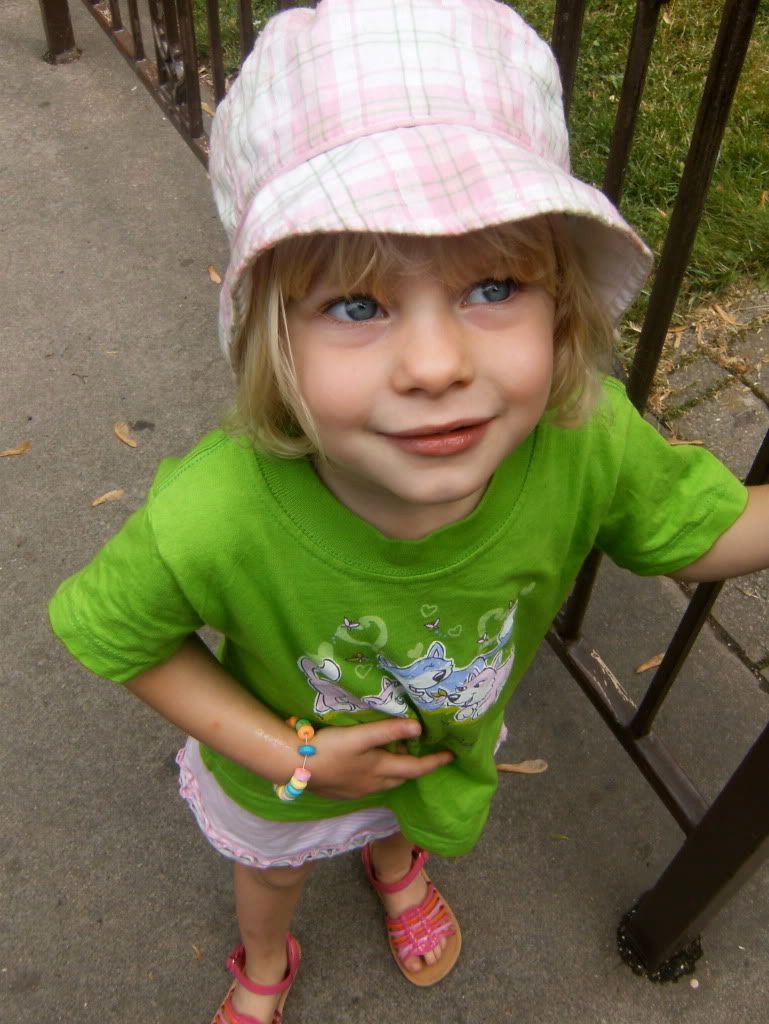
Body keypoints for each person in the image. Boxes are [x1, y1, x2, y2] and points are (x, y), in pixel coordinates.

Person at [49, 1, 769, 1021]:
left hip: (433, 737)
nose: (435, 365)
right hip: (285, 768)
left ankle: (394, 865)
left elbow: (700, 536)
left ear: (560, 302)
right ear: (271, 338)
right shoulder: (215, 510)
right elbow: (115, 634)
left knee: (403, 802)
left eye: (493, 285)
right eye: (357, 303)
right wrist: (289, 753)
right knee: (275, 869)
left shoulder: (583, 436)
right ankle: (263, 960)